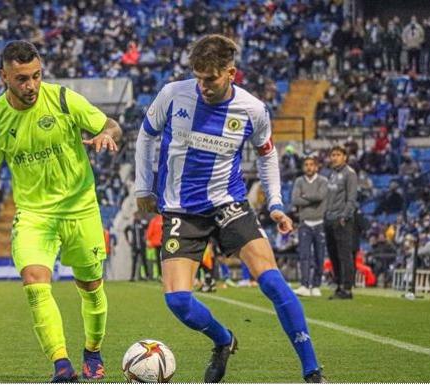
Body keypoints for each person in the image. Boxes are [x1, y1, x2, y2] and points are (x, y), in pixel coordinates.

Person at [135, 34, 325, 383]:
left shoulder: (252, 110)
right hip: (181, 211)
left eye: (211, 78)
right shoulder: (173, 94)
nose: (203, 86)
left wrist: (277, 203)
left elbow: (268, 156)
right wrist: (143, 186)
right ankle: (223, 340)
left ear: (231, 73)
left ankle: (312, 371)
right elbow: (146, 135)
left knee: (272, 282)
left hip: (228, 204)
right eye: (198, 77)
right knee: (177, 301)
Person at [0, 40, 122, 382]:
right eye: (22, 78)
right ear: (4, 77)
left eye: (36, 76)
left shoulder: (63, 99)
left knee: (91, 286)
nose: (31, 86)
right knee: (35, 282)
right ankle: (61, 365)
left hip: (81, 208)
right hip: (34, 215)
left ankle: (93, 351)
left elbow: (111, 124)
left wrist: (106, 135)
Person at [324, 146, 358, 300]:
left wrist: (344, 216)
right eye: (332, 155)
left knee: (345, 255)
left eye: (338, 154)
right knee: (334, 255)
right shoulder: (332, 174)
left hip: (341, 219)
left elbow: (351, 198)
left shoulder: (349, 174)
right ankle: (338, 285)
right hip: (329, 219)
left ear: (345, 157)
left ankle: (347, 288)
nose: (334, 157)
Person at [291, 155, 328, 297]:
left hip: (320, 222)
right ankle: (304, 285)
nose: (309, 167)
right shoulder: (299, 181)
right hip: (304, 223)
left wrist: (305, 196)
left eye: (311, 164)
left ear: (316, 166)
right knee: (304, 255)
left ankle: (316, 285)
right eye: (306, 164)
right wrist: (311, 198)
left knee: (319, 256)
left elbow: (321, 197)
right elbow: (295, 200)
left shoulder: (323, 181)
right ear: (303, 167)